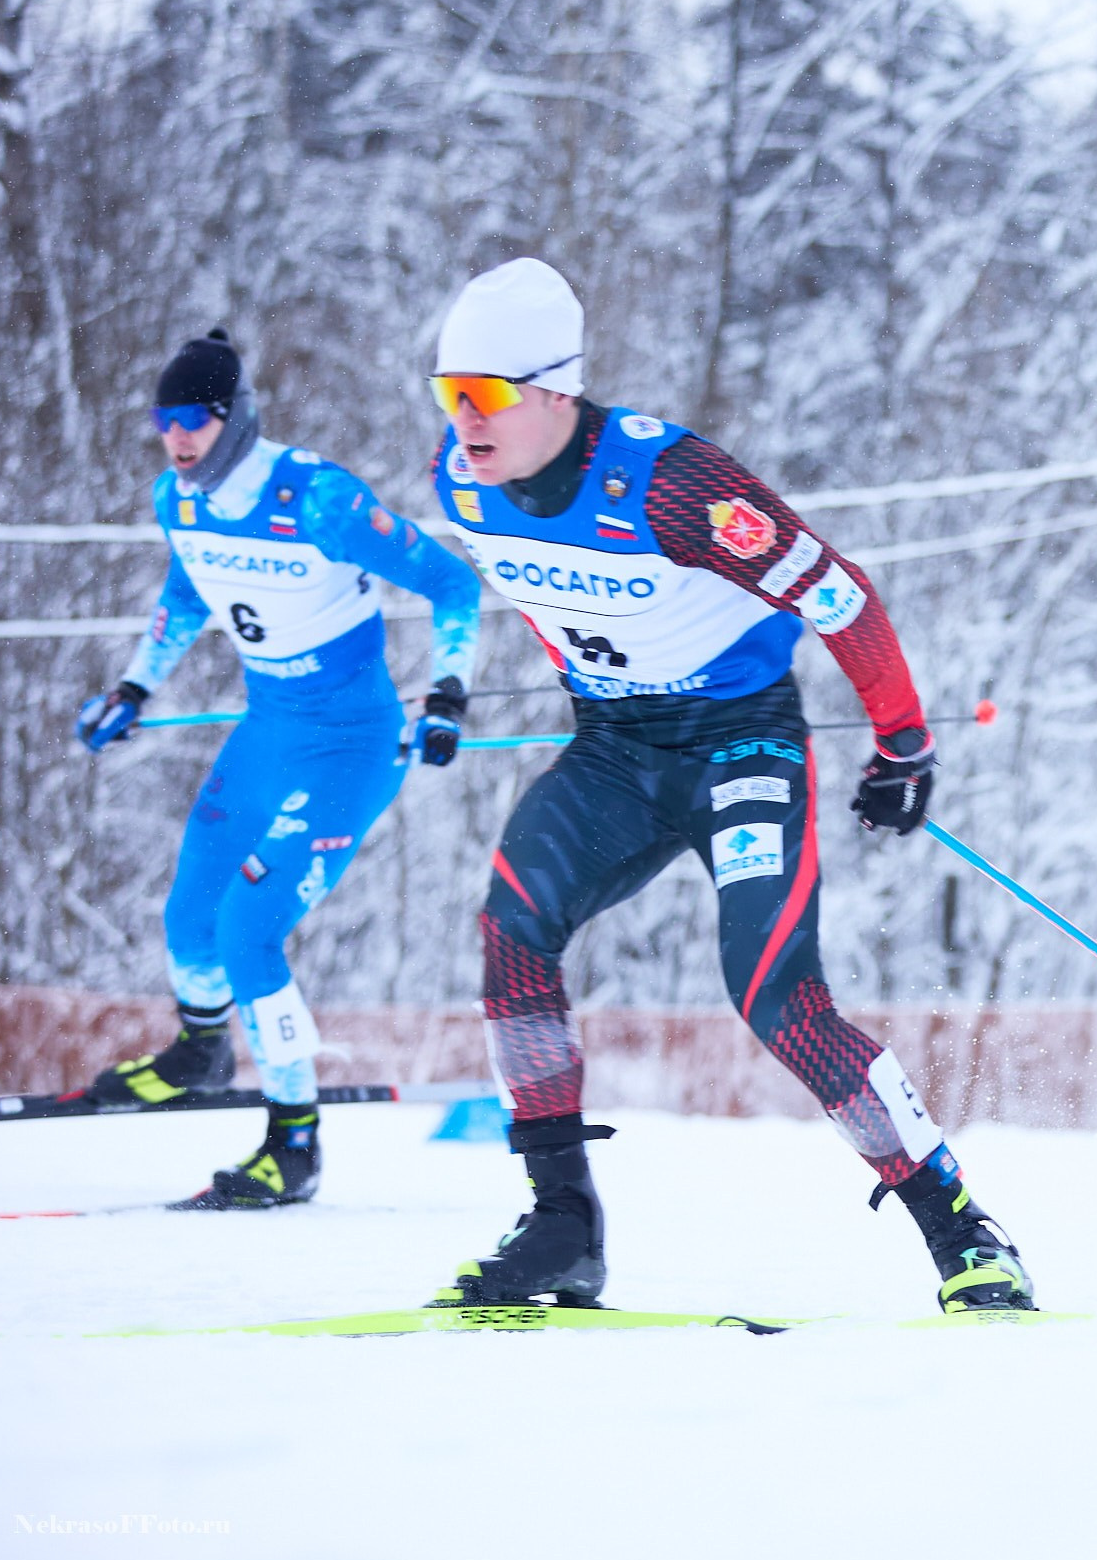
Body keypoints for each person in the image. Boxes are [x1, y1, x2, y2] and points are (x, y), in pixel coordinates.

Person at [424, 257, 1031, 1314]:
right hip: (617, 750)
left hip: (741, 746)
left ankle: (961, 1230)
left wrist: (902, 746)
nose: (463, 419)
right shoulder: (459, 482)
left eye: (485, 393)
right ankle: (562, 1224)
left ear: (558, 391)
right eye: (448, 394)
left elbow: (840, 596)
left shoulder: (674, 485)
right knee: (511, 933)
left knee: (774, 996)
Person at [74, 328, 479, 1207]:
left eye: (193, 420)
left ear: (236, 417)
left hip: (350, 744)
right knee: (189, 919)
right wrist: (134, 687)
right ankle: (201, 1049)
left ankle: (294, 1144)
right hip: (267, 730)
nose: (176, 439)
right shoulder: (177, 500)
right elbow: (187, 591)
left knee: (248, 929)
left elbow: (452, 584)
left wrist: (447, 694)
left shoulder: (318, 498)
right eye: (163, 421)